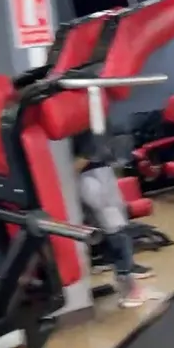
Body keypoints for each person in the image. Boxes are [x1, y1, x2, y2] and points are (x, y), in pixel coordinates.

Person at [71, 132, 159, 308]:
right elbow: (84, 157)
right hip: (93, 178)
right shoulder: (81, 127)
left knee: (105, 229)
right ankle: (131, 293)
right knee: (118, 232)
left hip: (92, 177)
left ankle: (111, 267)